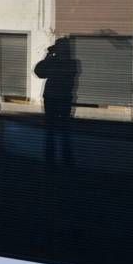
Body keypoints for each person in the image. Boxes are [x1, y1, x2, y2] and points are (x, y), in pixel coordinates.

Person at [35, 37, 80, 170]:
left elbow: (45, 71)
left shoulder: (71, 63)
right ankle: (52, 161)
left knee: (63, 131)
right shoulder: (56, 61)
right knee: (51, 131)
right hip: (52, 99)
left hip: (62, 100)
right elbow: (39, 72)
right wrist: (49, 55)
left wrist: (51, 56)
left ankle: (65, 161)